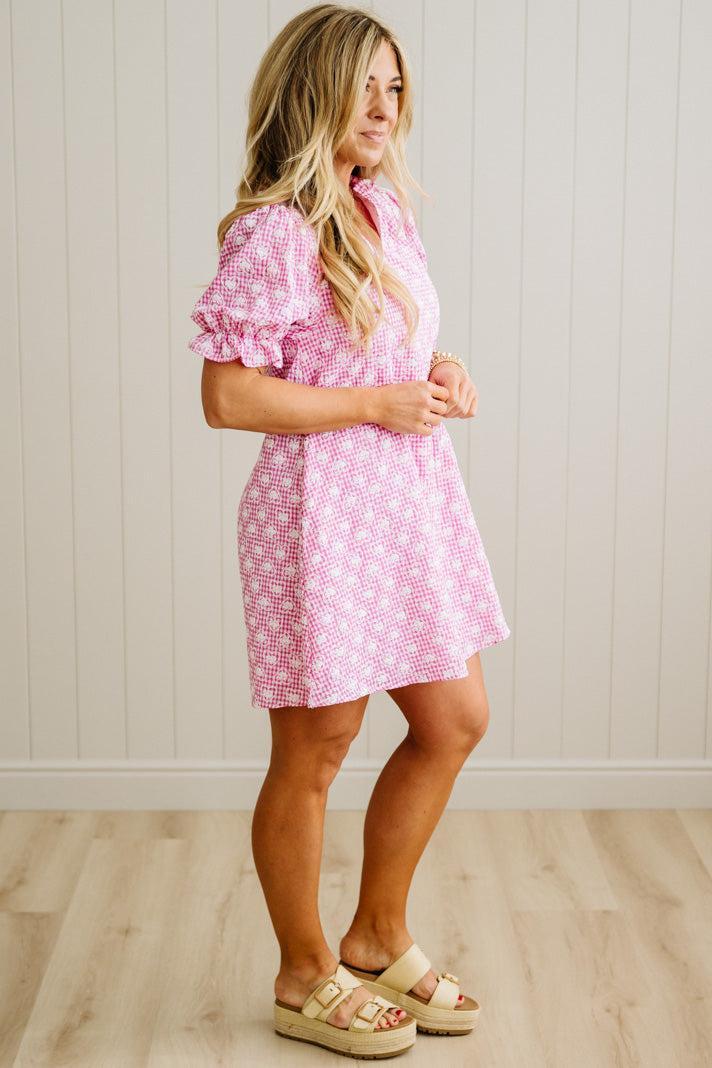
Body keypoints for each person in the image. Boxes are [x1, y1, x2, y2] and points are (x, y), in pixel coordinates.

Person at [188, 4, 511, 1059]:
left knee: (454, 717)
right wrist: (376, 405)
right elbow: (230, 397)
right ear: (310, 89)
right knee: (317, 747)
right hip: (319, 512)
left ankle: (376, 937)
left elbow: (373, 350)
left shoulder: (382, 211)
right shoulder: (274, 228)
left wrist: (434, 370)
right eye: (364, 85)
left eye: (395, 87)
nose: (384, 108)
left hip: (403, 504)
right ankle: (301, 971)